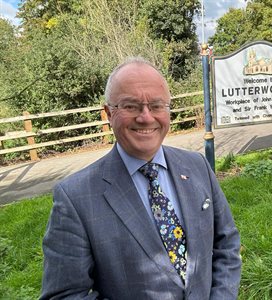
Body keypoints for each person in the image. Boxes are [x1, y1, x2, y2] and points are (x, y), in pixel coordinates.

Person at [40, 57, 242, 299]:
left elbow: (227, 242)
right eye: (131, 106)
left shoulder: (197, 165)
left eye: (157, 105)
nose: (146, 117)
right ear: (108, 113)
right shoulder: (75, 198)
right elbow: (65, 295)